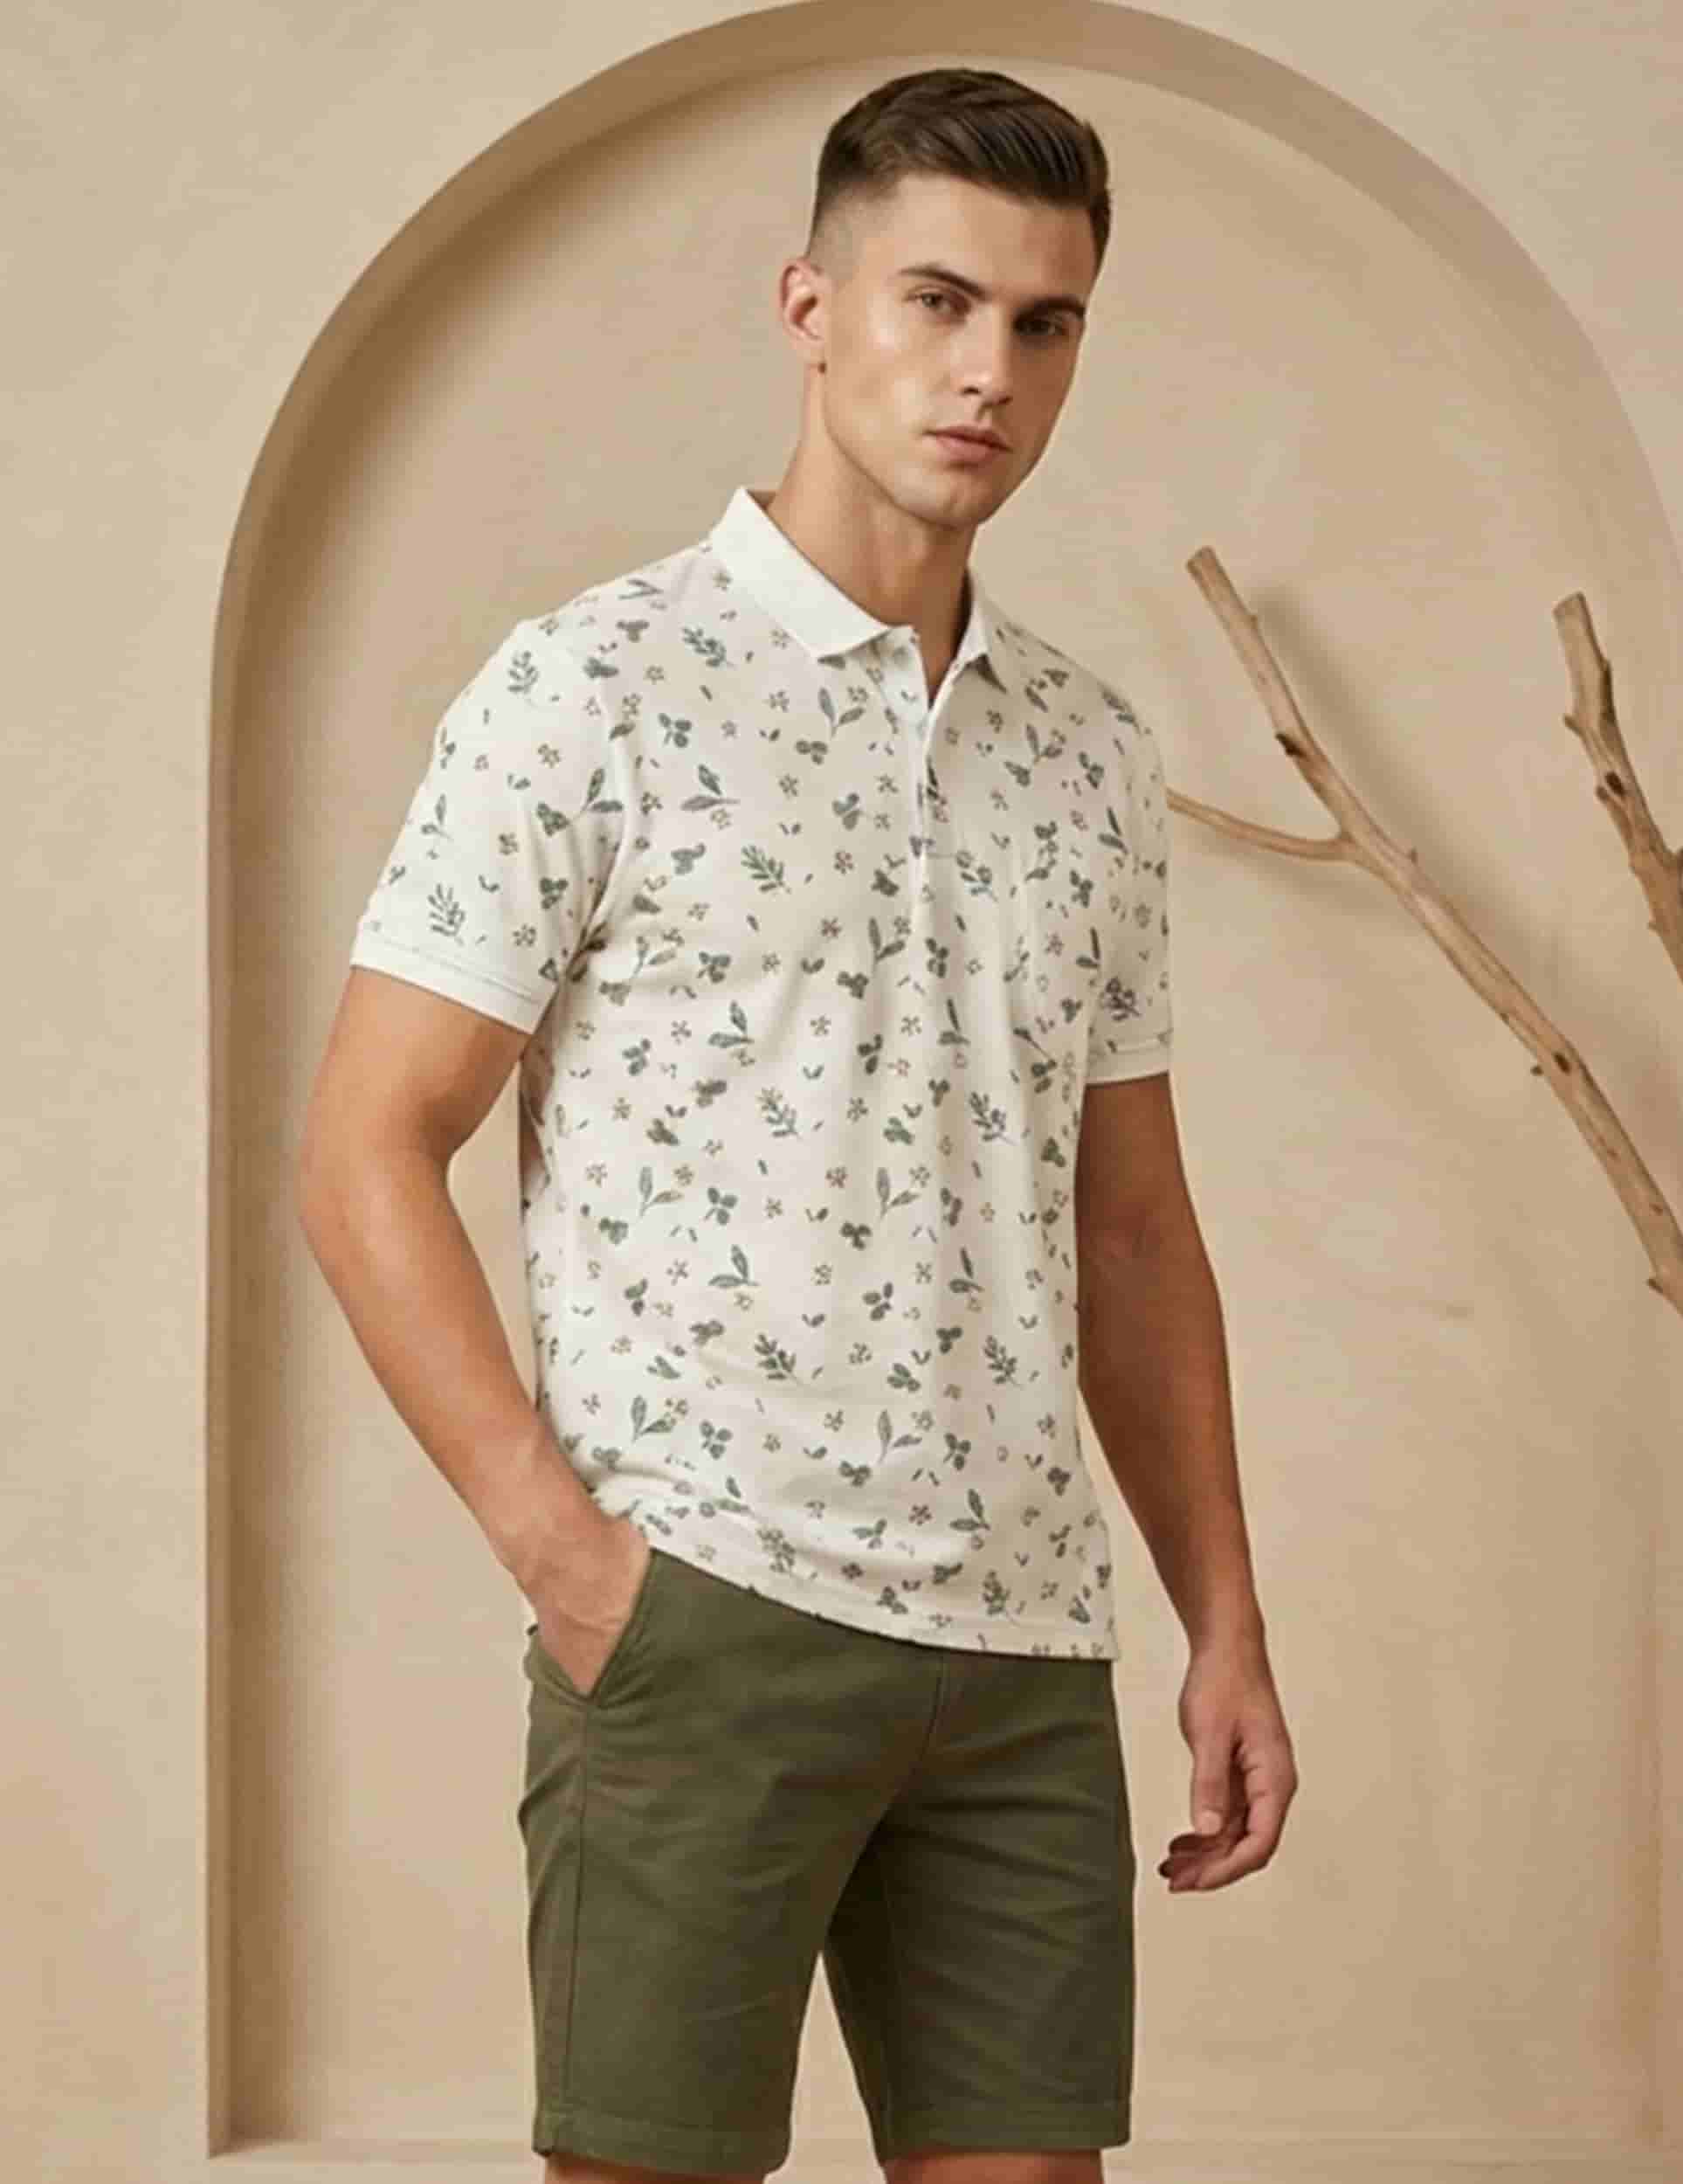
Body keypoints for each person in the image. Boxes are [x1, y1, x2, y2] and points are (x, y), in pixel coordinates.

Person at [298, 63, 1296, 2184]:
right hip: (705, 1609)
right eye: (939, 301)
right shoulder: (592, 687)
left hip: (1023, 1647)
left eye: (1043, 322)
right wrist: (573, 1563)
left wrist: (1221, 1615)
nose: (988, 370)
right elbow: (364, 1145)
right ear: (810, 307)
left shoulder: (1091, 756)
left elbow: (1131, 1228)